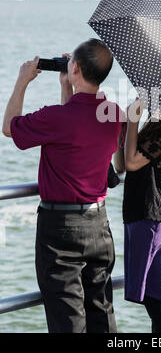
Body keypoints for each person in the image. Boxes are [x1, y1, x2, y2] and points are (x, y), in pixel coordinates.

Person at [2, 38, 126, 333]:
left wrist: (22, 81)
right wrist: (67, 87)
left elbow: (9, 127)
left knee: (67, 318)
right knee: (101, 313)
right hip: (99, 226)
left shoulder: (56, 118)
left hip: (60, 230)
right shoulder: (115, 115)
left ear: (77, 69)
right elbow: (76, 127)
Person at [113, 98, 161, 333]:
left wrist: (133, 120)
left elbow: (132, 162)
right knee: (156, 308)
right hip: (145, 221)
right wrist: (125, 127)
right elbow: (120, 165)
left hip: (156, 224)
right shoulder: (157, 125)